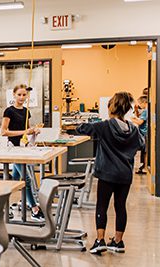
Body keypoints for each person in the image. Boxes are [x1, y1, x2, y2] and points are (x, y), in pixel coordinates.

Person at [77, 92, 144, 254]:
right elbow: (142, 145)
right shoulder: (133, 129)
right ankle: (118, 242)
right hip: (125, 175)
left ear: (111, 107)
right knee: (120, 206)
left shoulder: (104, 126)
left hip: (107, 173)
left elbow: (81, 129)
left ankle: (100, 240)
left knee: (102, 205)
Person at [0, 84, 44, 222]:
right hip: (13, 148)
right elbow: (3, 131)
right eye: (19, 94)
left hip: (23, 147)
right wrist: (25, 132)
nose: (21, 97)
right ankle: (34, 209)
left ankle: (3, 207)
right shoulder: (9, 111)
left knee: (13, 180)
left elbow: (27, 130)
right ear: (14, 95)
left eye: (24, 95)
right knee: (27, 179)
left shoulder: (26, 111)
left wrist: (34, 130)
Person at [131, 95, 148, 174]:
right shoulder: (146, 111)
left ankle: (145, 167)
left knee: (145, 151)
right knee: (144, 151)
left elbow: (140, 122)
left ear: (144, 102)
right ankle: (144, 166)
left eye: (140, 103)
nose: (140, 105)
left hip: (144, 134)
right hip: (145, 133)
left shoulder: (145, 111)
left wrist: (130, 119)